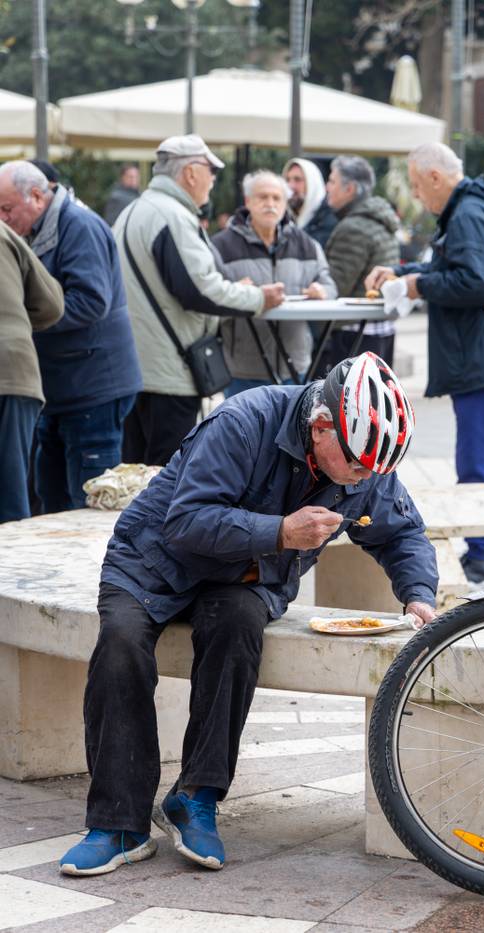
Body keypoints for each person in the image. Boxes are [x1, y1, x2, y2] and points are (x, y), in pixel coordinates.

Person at [58, 351, 437, 877]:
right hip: (153, 560)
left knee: (238, 628)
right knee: (121, 643)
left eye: (375, 469)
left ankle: (195, 798)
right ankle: (118, 824)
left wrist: (419, 594)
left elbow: (401, 531)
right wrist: (280, 532)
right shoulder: (245, 421)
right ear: (321, 425)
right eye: (356, 464)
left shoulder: (363, 457)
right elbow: (186, 520)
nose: (363, 477)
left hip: (246, 576)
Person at [366, 141, 484, 586]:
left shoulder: (469, 214)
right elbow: (454, 266)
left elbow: (476, 282)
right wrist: (404, 273)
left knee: (478, 462)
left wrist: (417, 285)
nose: (419, 196)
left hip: (481, 356)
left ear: (436, 178)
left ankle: (481, 561)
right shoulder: (472, 208)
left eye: (418, 186)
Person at [113, 135, 285, 467]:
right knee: (166, 479)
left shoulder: (134, 210)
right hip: (169, 373)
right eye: (211, 170)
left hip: (138, 367)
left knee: (136, 475)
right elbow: (199, 290)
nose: (213, 180)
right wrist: (257, 297)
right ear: (191, 173)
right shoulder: (172, 216)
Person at [0, 161, 142, 514]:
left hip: (92, 388)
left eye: (6, 208)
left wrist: (20, 317)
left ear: (36, 196)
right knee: (52, 500)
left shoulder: (79, 225)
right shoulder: (34, 229)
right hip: (60, 387)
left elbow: (92, 301)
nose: (2, 218)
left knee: (91, 502)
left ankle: (95, 571)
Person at [212, 170, 337, 395]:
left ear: (285, 203)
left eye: (276, 198)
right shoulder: (221, 246)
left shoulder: (306, 244)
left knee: (292, 431)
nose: (270, 203)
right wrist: (235, 292)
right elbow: (208, 300)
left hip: (296, 367)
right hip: (243, 371)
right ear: (248, 201)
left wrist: (322, 291)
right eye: (262, 197)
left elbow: (330, 286)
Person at [0, 220, 64, 523]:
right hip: (17, 370)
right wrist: (15, 326)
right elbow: (52, 303)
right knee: (12, 494)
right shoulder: (4, 232)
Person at [322, 156, 400, 371]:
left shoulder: (353, 227)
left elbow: (335, 286)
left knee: (349, 404)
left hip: (354, 334)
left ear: (350, 189)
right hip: (381, 328)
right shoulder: (380, 219)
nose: (327, 187)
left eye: (332, 181)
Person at [282, 157, 337, 248]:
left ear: (312, 183)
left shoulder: (329, 218)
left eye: (297, 180)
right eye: (287, 180)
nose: (290, 186)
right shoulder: (284, 217)